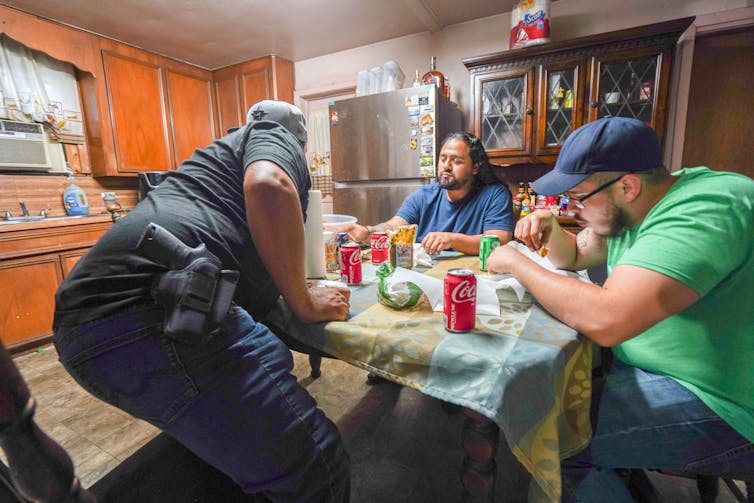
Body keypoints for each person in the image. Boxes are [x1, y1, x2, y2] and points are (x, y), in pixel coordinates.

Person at [52, 100, 351, 502]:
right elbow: (268, 184)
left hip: (83, 327)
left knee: (228, 460)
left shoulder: (211, 163)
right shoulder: (272, 135)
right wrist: (304, 300)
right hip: (153, 309)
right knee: (316, 467)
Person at [485, 116, 754, 501]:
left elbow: (606, 319)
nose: (572, 207)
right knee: (556, 405)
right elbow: (575, 255)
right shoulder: (637, 205)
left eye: (578, 197)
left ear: (627, 186)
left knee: (555, 438)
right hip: (652, 373)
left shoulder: (706, 207)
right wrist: (551, 226)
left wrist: (515, 261)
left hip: (722, 403)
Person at [341, 131, 515, 255]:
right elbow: (394, 226)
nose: (446, 166)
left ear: (475, 168)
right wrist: (368, 231)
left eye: (456, 161)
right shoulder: (424, 195)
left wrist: (452, 240)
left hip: (473, 279)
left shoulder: (494, 195)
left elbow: (498, 239)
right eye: (443, 158)